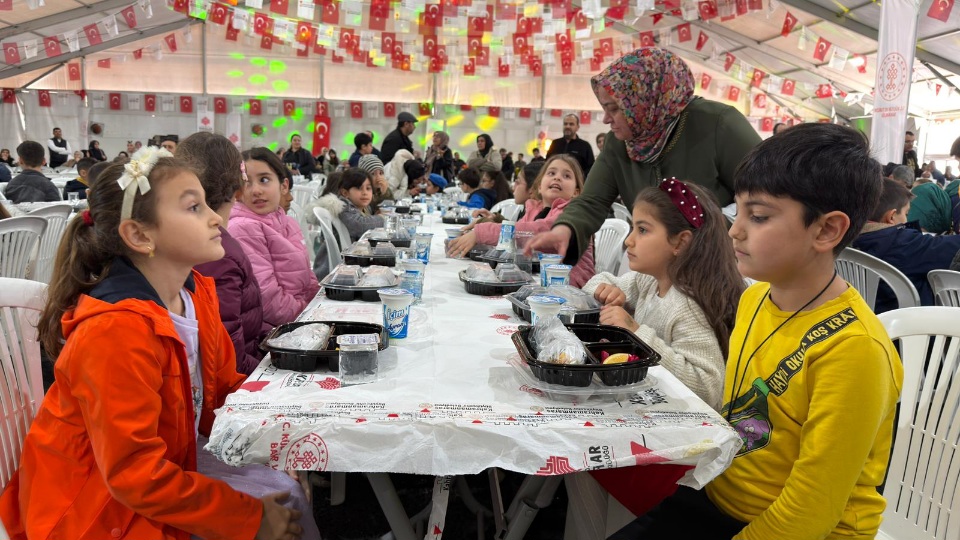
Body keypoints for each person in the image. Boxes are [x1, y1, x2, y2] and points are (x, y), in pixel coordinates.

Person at [1, 149, 308, 539]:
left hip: (162, 467)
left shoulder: (196, 296)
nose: (216, 217)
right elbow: (133, 475)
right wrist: (247, 517)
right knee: (280, 506)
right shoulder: (115, 331)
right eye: (194, 207)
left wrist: (277, 442)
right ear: (140, 235)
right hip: (93, 508)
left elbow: (220, 391)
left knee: (285, 491)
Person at [624, 123, 903, 539]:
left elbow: (809, 512)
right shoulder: (755, 300)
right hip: (721, 494)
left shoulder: (853, 350)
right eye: (737, 211)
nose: (734, 230)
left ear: (827, 230)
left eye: (758, 216)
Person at [565, 180, 744, 538]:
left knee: (579, 455)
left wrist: (637, 334)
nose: (629, 240)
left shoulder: (686, 304)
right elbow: (598, 281)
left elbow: (710, 386)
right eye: (631, 227)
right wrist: (606, 289)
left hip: (675, 450)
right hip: (647, 420)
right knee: (578, 462)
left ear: (680, 243)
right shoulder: (650, 281)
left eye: (642, 229)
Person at [527, 48, 761, 264]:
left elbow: (766, 196)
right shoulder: (618, 143)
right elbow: (592, 201)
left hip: (718, 264)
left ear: (644, 102)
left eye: (615, 109)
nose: (606, 119)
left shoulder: (718, 125)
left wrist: (721, 234)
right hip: (657, 267)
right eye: (605, 108)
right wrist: (564, 229)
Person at [177, 132, 271, 375]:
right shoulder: (215, 253)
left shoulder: (209, 244)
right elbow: (228, 361)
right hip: (236, 385)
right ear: (240, 188)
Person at [449, 155, 596, 287]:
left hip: (576, 290)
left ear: (576, 192)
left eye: (566, 176)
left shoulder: (572, 213)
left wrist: (481, 232)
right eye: (551, 173)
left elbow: (534, 232)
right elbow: (517, 233)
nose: (557, 178)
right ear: (539, 185)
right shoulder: (534, 210)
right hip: (542, 283)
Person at [231, 147, 319, 327]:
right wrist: (309, 316)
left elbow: (308, 277)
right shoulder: (243, 228)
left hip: (300, 318)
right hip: (273, 332)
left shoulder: (288, 223)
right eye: (246, 182)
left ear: (284, 185)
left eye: (264, 180)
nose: (255, 190)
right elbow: (268, 301)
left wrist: (319, 305)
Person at [853, 177, 960, 312]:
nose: (907, 219)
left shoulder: (849, 238)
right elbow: (945, 246)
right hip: (911, 320)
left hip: (869, 312)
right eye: (906, 213)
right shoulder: (901, 243)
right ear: (891, 217)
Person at [472, 161, 546, 223]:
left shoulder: (539, 218)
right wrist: (495, 219)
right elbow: (519, 229)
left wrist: (484, 227)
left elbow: (520, 235)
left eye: (518, 182)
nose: (513, 187)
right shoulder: (527, 210)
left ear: (532, 189)